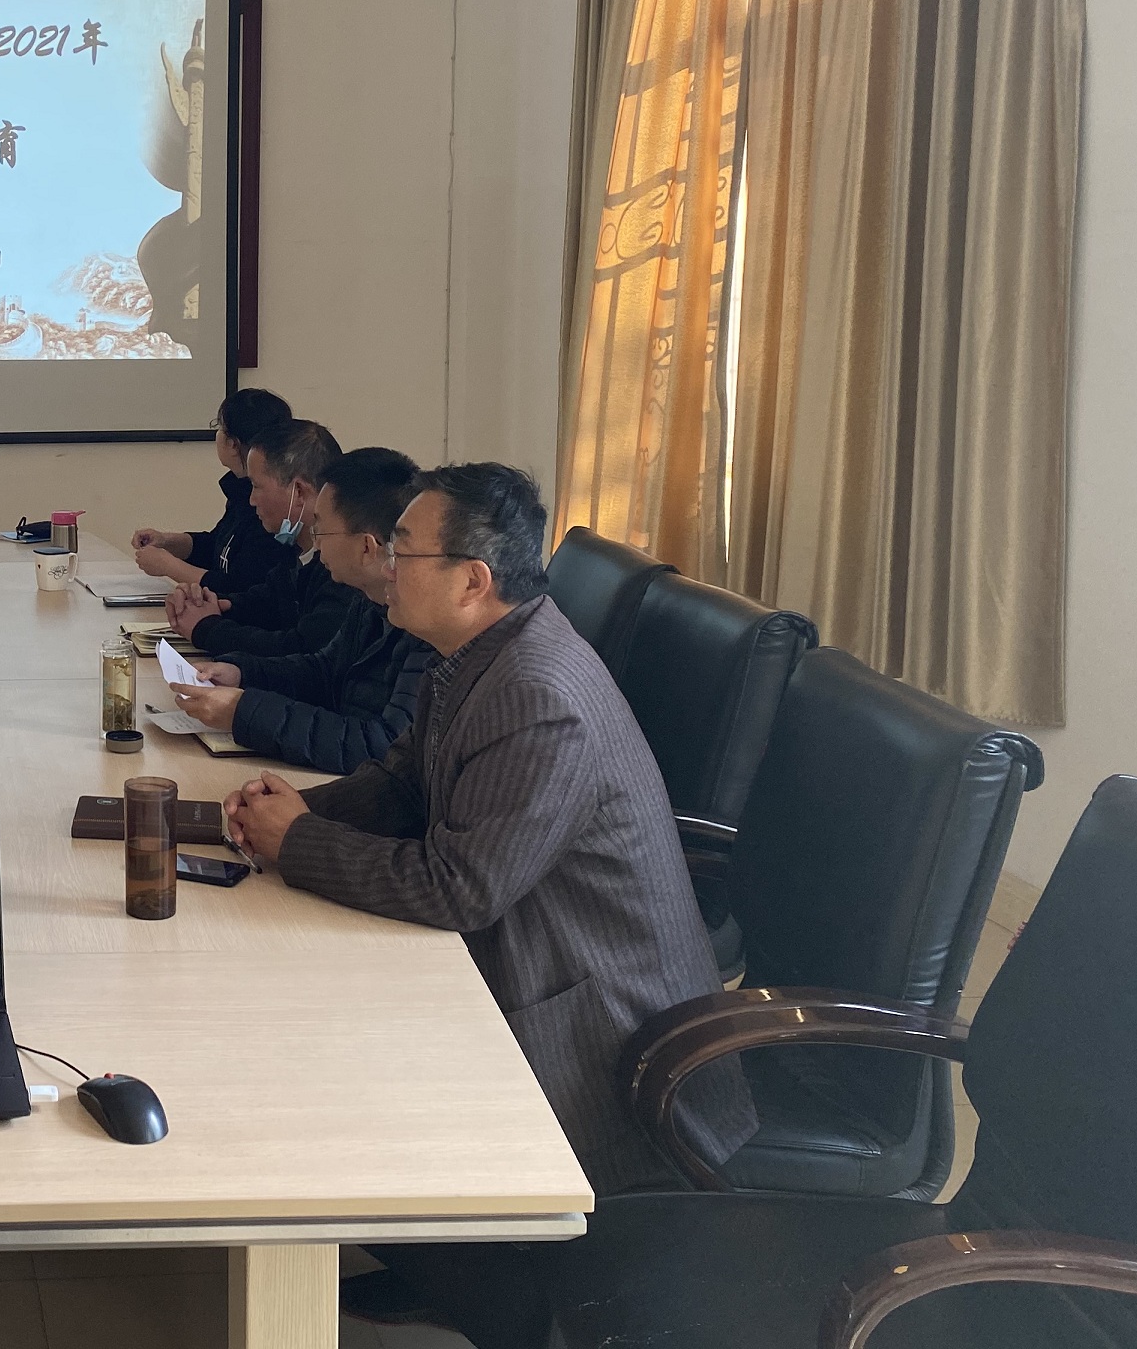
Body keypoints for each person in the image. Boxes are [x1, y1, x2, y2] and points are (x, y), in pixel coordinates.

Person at [219, 463, 754, 1346]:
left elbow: (458, 887)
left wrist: (299, 842)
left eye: (405, 551)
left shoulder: (538, 695)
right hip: (532, 959)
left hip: (599, 1031)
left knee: (330, 1098)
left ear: (472, 579)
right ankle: (448, 1260)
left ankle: (526, 1312)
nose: (387, 566)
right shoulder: (476, 654)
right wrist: (296, 811)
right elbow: (404, 781)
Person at [170, 447, 431, 774]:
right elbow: (323, 672)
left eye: (321, 530)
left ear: (366, 547)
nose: (315, 543)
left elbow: (382, 746)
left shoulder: (427, 628)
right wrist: (241, 673)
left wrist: (242, 711)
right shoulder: (370, 600)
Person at [166, 418, 359, 657]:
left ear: (298, 492)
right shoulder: (295, 550)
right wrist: (212, 604)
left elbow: (301, 650)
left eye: (256, 486)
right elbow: (267, 603)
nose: (251, 500)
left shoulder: (341, 568)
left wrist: (208, 629)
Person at [131, 387, 293, 596]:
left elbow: (242, 587)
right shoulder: (240, 490)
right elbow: (218, 548)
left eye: (220, 427)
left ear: (232, 444)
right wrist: (167, 542)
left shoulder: (268, 505)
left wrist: (170, 567)